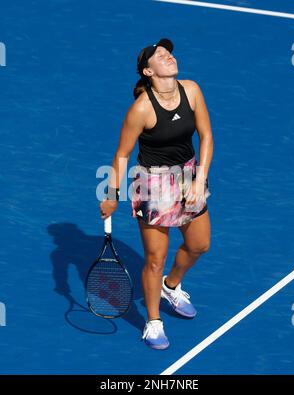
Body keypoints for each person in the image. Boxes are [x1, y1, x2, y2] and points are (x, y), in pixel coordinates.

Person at [100, 38, 214, 350]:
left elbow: (206, 135)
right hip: (153, 183)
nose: (168, 56)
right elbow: (122, 154)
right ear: (149, 71)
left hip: (189, 175)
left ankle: (171, 285)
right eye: (160, 56)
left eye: (168, 52)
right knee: (155, 257)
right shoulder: (141, 109)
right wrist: (111, 194)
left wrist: (199, 176)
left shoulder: (191, 90)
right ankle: (153, 322)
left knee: (199, 244)